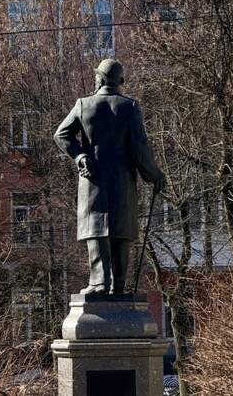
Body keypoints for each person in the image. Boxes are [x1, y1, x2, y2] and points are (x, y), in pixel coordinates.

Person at [54, 58, 165, 294]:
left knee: (96, 230)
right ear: (119, 81)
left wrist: (80, 156)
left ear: (100, 79)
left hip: (92, 180)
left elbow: (61, 134)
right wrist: (154, 175)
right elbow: (140, 147)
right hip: (122, 182)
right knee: (120, 232)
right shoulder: (129, 107)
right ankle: (119, 285)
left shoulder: (84, 104)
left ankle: (98, 283)